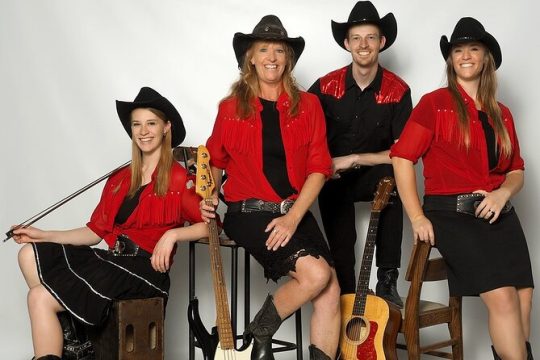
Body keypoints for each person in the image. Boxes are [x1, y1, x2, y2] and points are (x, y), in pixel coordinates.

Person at [13, 87, 208, 360]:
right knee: (28, 256)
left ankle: (76, 343)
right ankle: (74, 342)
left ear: (166, 127)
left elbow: (211, 226)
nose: (143, 131)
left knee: (39, 298)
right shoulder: (119, 179)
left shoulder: (179, 179)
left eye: (151, 123)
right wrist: (42, 234)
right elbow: (94, 232)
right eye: (136, 124)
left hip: (145, 271)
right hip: (113, 263)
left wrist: (172, 235)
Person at [390, 17, 534, 359]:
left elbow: (516, 171)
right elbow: (402, 158)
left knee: (523, 294)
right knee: (501, 297)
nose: (466, 56)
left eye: (473, 49)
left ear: (486, 58)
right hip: (453, 216)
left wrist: (502, 193)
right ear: (450, 59)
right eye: (458, 50)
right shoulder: (434, 103)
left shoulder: (502, 113)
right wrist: (416, 217)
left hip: (500, 214)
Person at [201, 15, 340, 360]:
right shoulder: (230, 109)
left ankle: (256, 336)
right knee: (318, 274)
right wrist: (208, 195)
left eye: (280, 50)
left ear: (289, 59)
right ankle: (256, 334)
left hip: (292, 211)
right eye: (264, 49)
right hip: (247, 212)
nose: (272, 57)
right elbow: (214, 162)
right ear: (250, 57)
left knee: (331, 289)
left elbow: (319, 168)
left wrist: (292, 218)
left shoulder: (308, 106)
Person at [308, 1, 412, 307]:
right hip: (334, 176)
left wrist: (355, 158)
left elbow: (403, 153)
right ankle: (347, 295)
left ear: (381, 42)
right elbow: (302, 133)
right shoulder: (325, 87)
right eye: (356, 38)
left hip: (374, 171)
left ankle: (387, 279)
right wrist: (323, 163)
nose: (363, 44)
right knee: (339, 233)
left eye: (370, 37)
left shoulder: (398, 90)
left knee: (392, 178)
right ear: (346, 43)